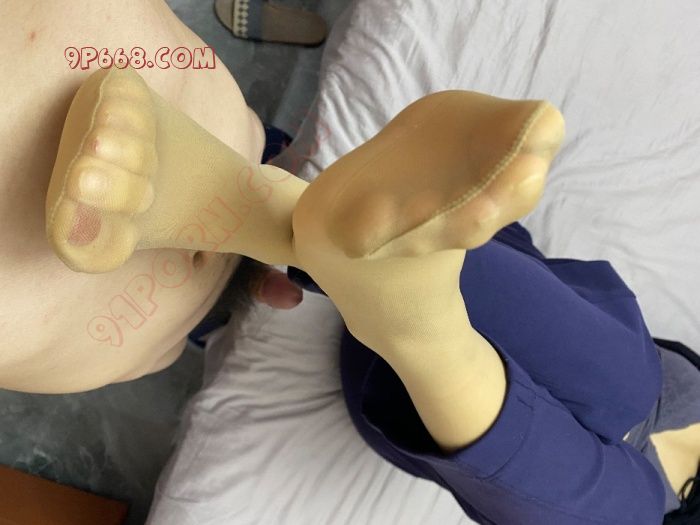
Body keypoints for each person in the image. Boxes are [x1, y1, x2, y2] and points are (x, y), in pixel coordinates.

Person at [3, 1, 699, 524]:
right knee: (626, 380)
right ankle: (377, 271)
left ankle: (403, 302)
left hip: (415, 392)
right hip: (611, 354)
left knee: (623, 510)